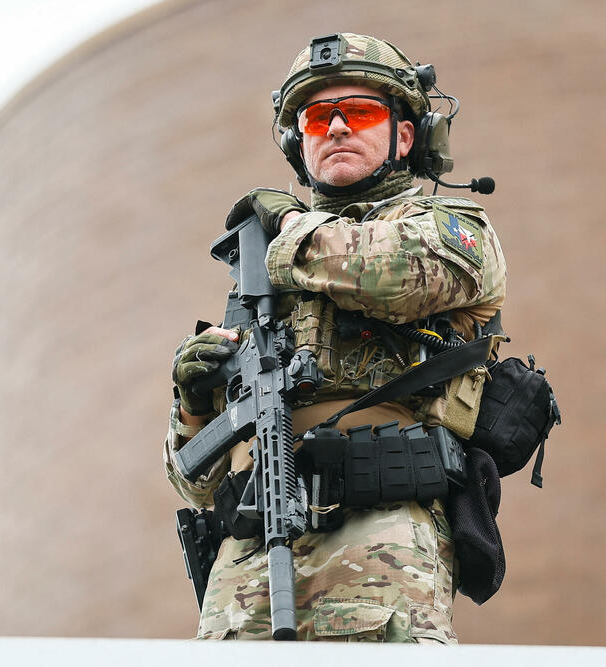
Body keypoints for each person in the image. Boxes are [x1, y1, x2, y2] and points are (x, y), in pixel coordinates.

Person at [164, 33, 506, 643]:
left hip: (379, 541)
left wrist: (289, 226)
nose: (339, 127)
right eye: (319, 116)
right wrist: (191, 403)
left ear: (405, 135)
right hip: (247, 556)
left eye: (362, 112)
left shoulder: (448, 228)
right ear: (300, 139)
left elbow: (393, 276)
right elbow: (196, 480)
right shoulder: (260, 286)